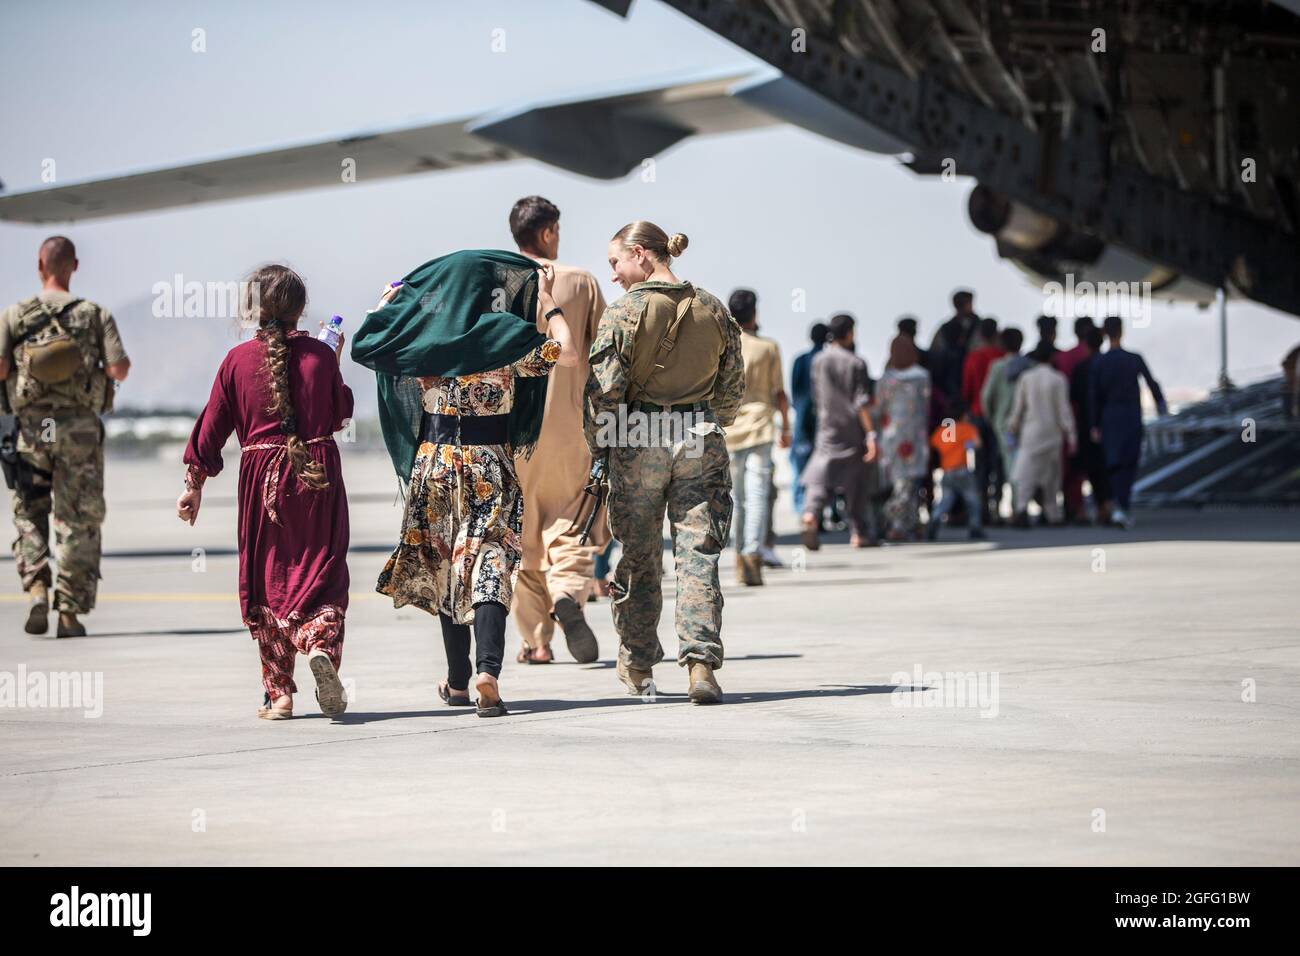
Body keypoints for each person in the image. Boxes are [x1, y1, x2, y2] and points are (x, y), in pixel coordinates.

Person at [355, 250, 580, 717]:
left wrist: (386, 306)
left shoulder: (424, 339)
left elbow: (363, 345)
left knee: (445, 568)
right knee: (490, 564)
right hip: (490, 464)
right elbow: (570, 351)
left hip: (434, 466)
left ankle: (458, 684)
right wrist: (550, 304)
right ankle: (487, 672)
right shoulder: (508, 336)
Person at [178, 264, 353, 720]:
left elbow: (211, 428)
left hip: (262, 482)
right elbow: (339, 414)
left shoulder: (236, 361)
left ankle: (279, 695)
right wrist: (331, 357)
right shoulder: (319, 355)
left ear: (253, 309)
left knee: (269, 579)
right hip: (317, 474)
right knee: (323, 572)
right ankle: (317, 643)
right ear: (301, 310)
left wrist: (193, 486)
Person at [585, 222, 743, 704]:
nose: (612, 275)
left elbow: (603, 394)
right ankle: (700, 666)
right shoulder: (714, 307)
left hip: (637, 440)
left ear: (639, 253)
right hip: (699, 437)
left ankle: (637, 662)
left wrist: (600, 449)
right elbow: (732, 390)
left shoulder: (624, 312)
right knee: (698, 555)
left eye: (615, 262)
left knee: (639, 556)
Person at [0, 236, 130, 638]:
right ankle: (70, 614)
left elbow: (1, 369)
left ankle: (38, 588)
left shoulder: (14, 315)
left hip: (32, 432)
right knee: (79, 520)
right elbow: (119, 370)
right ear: (73, 265)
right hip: (79, 433)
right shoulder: (95, 315)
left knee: (29, 511)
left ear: (40, 264)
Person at [507, 196, 609, 665]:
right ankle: (568, 589)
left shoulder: (496, 283)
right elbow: (607, 351)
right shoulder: (581, 282)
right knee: (574, 520)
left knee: (523, 533)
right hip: (571, 428)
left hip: (509, 433)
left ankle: (537, 642)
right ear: (548, 232)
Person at [724, 288, 790, 586]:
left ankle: (740, 558)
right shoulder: (768, 348)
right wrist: (786, 427)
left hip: (729, 429)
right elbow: (780, 394)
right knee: (758, 494)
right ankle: (752, 556)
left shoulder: (723, 346)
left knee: (736, 497)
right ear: (754, 313)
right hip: (761, 425)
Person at [799, 313, 879, 550]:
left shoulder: (818, 361)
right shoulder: (856, 363)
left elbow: (816, 395)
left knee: (821, 475)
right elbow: (861, 402)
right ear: (850, 333)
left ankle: (811, 514)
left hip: (826, 426)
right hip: (852, 429)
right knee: (857, 481)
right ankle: (858, 531)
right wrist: (871, 435)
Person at [1089, 315, 1167, 529]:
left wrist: (1094, 425)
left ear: (1105, 333)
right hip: (1131, 416)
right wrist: (1161, 407)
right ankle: (1122, 506)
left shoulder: (1100, 362)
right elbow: (1152, 383)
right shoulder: (1134, 358)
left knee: (1113, 463)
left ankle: (1117, 506)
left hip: (1109, 419)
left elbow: (1094, 396)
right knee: (1129, 463)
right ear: (1121, 332)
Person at [1006, 344, 1077, 526]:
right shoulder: (1058, 379)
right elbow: (1064, 411)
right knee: (1052, 476)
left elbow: (1018, 408)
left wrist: (1012, 428)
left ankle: (1021, 509)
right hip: (1052, 434)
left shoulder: (1026, 378)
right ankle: (1052, 513)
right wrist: (1071, 435)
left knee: (1027, 475)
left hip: (1031, 433)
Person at [875, 335, 931, 540]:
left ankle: (904, 523)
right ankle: (900, 522)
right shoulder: (923, 377)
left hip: (890, 437)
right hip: (915, 436)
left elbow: (878, 408)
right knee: (908, 484)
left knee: (899, 483)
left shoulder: (885, 379)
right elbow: (926, 405)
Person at [1054, 316, 1099, 522]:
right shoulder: (1098, 359)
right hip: (1091, 419)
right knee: (1091, 465)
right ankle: (1094, 508)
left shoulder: (1063, 357)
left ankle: (1071, 505)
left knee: (1068, 466)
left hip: (1067, 418)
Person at [961, 316, 1004, 523]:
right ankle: (997, 504)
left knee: (981, 465)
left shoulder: (973, 358)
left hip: (978, 416)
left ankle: (982, 507)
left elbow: (967, 390)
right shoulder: (1002, 357)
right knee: (999, 463)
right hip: (999, 417)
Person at [980, 326, 1027, 511]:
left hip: (1003, 423)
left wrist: (993, 419)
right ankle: (1018, 505)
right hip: (1025, 422)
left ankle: (1016, 506)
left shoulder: (997, 367)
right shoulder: (1028, 365)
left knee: (1010, 464)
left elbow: (986, 396)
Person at [1069, 325, 1111, 523]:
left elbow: (1074, 397)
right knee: (1106, 466)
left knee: (1090, 467)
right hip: (1109, 423)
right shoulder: (1108, 364)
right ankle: (1107, 505)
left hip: (1086, 425)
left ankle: (1093, 506)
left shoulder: (1081, 368)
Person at [926, 400, 984, 540]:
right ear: (964, 415)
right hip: (963, 470)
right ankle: (975, 528)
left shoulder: (944, 430)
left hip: (947, 471)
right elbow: (977, 444)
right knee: (972, 501)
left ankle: (934, 520)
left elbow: (933, 444)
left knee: (945, 501)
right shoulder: (967, 428)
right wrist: (966, 446)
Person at [789, 321, 828, 521]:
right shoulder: (826, 359)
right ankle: (822, 511)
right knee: (822, 467)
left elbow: (794, 393)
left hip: (804, 420)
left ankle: (802, 509)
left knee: (800, 466)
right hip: (824, 421)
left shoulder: (801, 360)